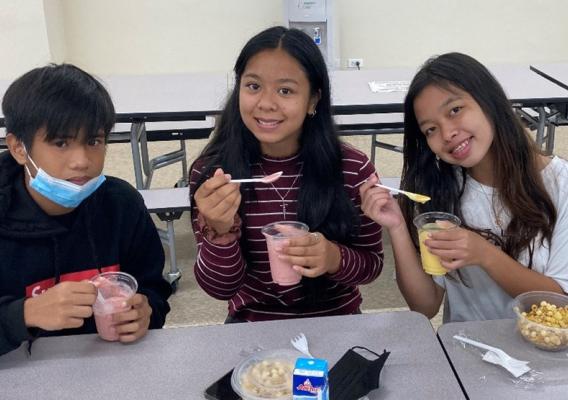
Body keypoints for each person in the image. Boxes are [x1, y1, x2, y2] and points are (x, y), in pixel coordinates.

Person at [189, 26, 384, 322]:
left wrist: (333, 258)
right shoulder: (213, 174)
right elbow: (219, 288)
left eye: (285, 90)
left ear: (313, 100)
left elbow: (372, 265)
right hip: (251, 325)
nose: (266, 103)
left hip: (337, 322)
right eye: (253, 86)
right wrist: (220, 232)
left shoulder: (352, 169)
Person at [360, 52, 568, 323]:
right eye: (431, 129)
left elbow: (560, 304)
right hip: (465, 351)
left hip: (543, 352)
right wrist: (398, 227)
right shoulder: (441, 190)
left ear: (489, 101)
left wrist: (485, 254)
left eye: (455, 110)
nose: (447, 134)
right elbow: (425, 306)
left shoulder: (560, 184)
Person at [0, 64, 172, 356]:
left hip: (109, 364)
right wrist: (24, 314)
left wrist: (146, 312)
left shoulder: (122, 205)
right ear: (19, 148)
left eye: (94, 141)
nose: (81, 161)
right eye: (61, 143)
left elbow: (153, 289)